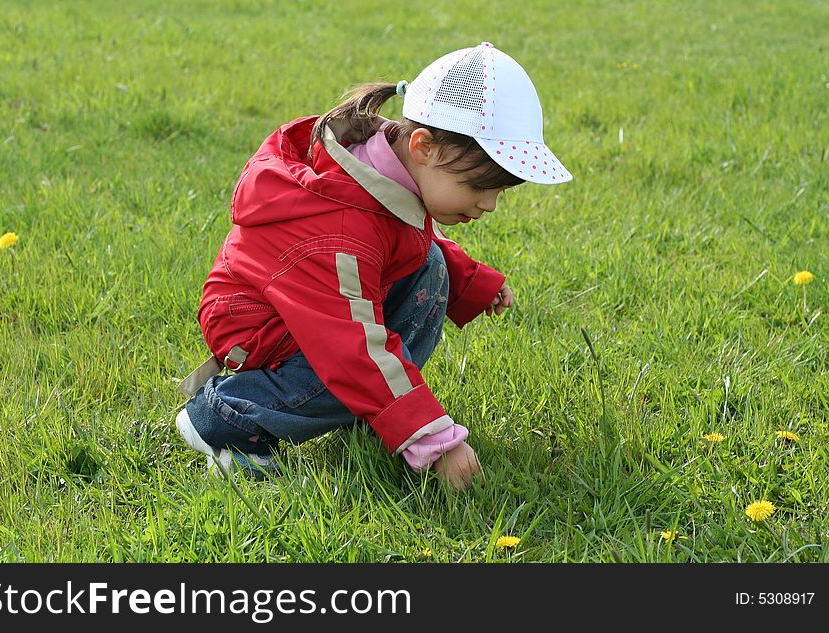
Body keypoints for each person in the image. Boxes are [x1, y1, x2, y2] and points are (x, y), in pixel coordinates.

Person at [174, 42, 572, 490]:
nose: (490, 204)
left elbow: (410, 240)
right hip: (260, 325)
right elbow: (355, 350)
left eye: (501, 192)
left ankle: (376, 411)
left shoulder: (390, 170)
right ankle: (226, 417)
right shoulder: (343, 230)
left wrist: (467, 282)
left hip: (309, 312)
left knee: (433, 270)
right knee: (355, 371)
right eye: (481, 185)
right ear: (424, 146)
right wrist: (435, 441)